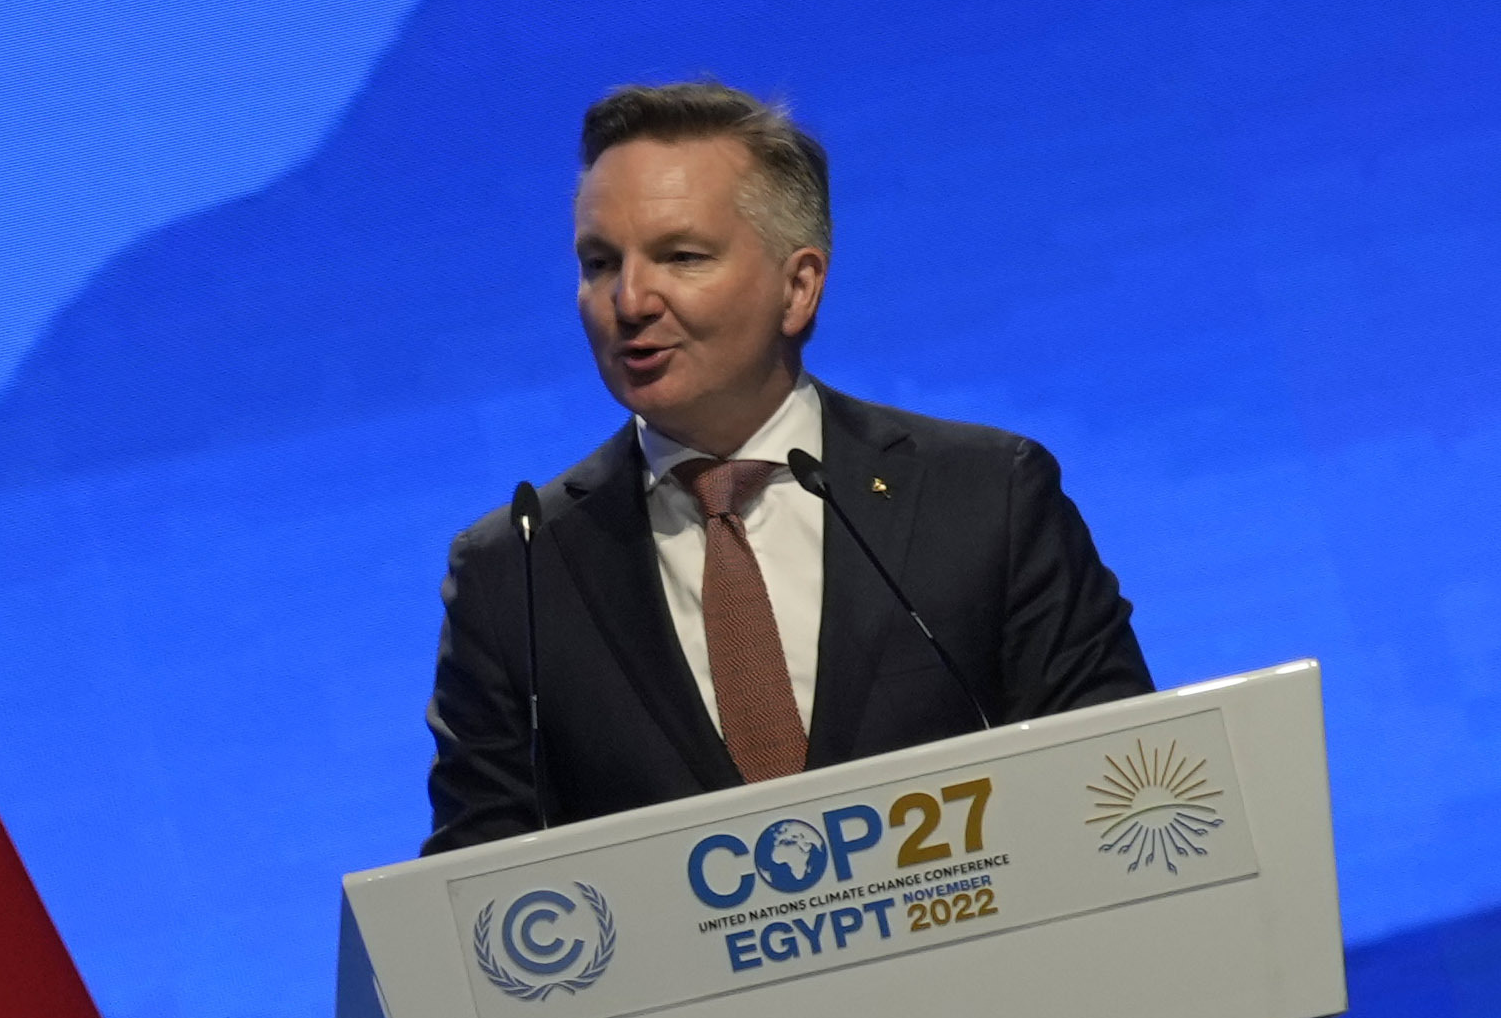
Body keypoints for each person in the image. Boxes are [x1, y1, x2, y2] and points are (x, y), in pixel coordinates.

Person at [423, 81, 1149, 845]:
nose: (629, 300)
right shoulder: (517, 572)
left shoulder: (985, 497)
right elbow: (477, 890)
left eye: (680, 256)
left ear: (798, 287)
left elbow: (1123, 788)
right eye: (600, 263)